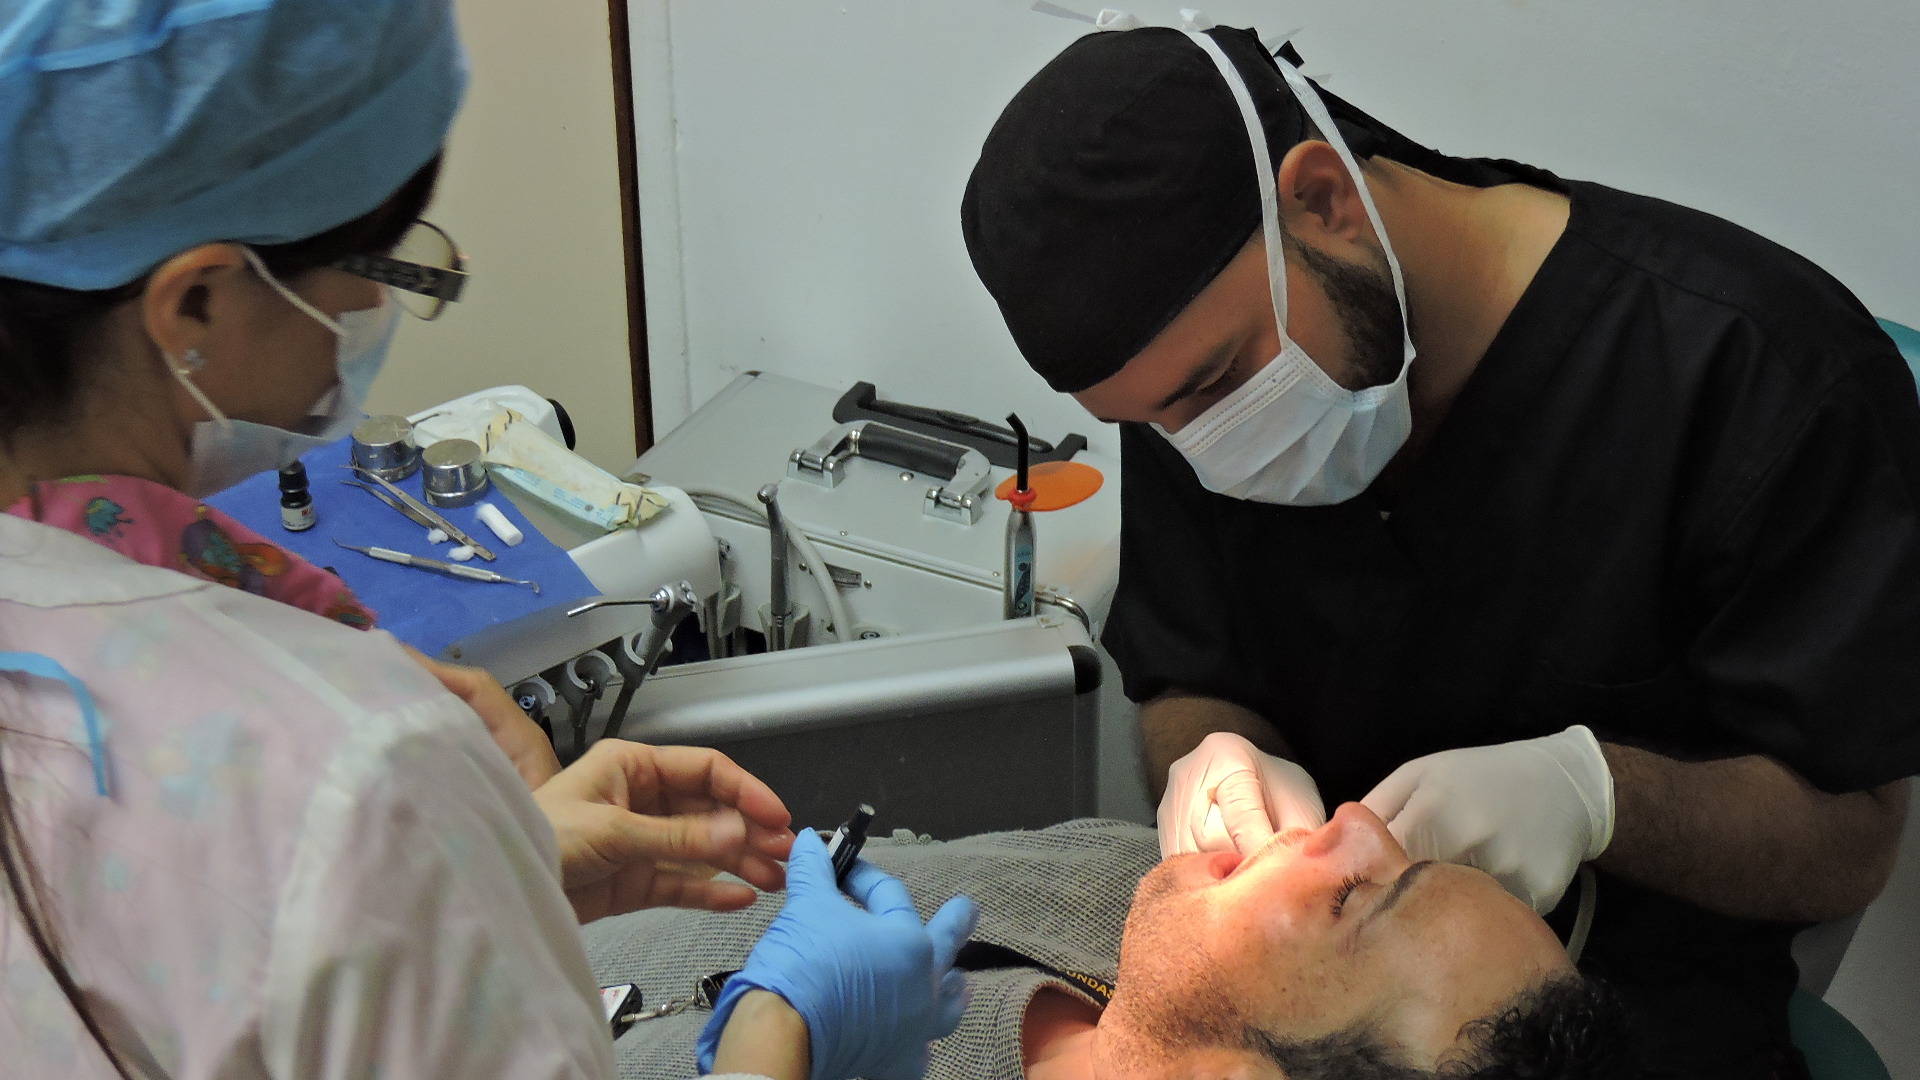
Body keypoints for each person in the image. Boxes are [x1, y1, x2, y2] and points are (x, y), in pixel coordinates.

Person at [0, 3, 968, 1079]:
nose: (380, 303)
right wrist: (783, 1031)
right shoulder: (355, 773)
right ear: (195, 303)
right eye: (377, 260)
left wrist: (478, 883)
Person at [959, 17, 1918, 1079]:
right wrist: (1213, 755)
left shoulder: (1757, 375)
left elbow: (1852, 838)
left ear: (1323, 201)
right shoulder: (1191, 392)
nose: (1203, 444)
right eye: (1151, 422)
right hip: (1285, 1009)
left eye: (1217, 384)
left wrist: (1597, 799)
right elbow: (1191, 672)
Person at [584, 805, 1644, 1080]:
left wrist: (774, 1033)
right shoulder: (1128, 891)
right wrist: (537, 856)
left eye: (1356, 897)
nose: (1356, 818)